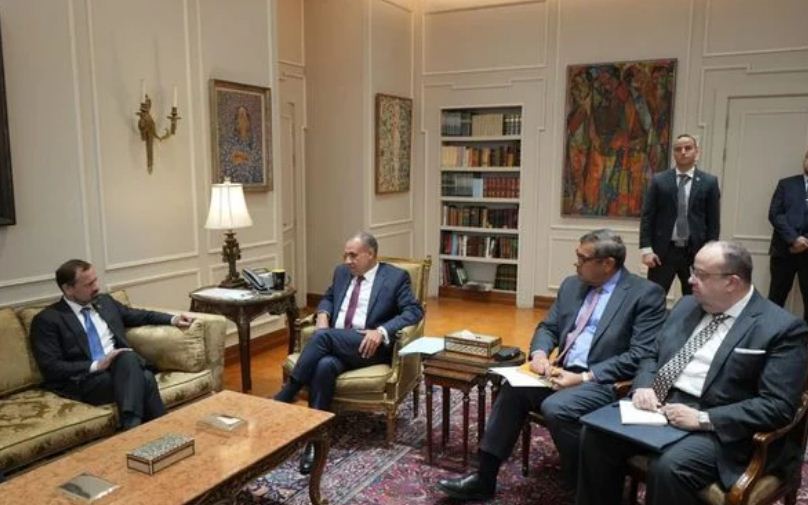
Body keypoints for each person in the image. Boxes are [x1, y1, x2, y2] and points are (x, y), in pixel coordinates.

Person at [437, 229, 667, 501]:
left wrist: (583, 378)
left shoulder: (644, 294)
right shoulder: (572, 285)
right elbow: (548, 327)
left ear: (607, 264)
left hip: (602, 381)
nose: (576, 264)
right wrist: (540, 354)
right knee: (512, 388)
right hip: (560, 371)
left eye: (582, 258)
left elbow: (640, 354)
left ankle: (590, 489)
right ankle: (484, 478)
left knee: (557, 408)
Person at [577, 241, 808, 505]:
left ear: (732, 282)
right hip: (661, 407)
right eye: (692, 271)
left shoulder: (780, 328)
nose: (690, 280)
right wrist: (644, 386)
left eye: (701, 275)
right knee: (596, 436)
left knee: (669, 467)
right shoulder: (687, 305)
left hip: (720, 427)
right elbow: (652, 354)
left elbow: (777, 406)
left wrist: (703, 418)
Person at [274, 231, 423, 474]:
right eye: (345, 255)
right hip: (337, 343)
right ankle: (314, 441)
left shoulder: (395, 278)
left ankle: (287, 393)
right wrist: (323, 313)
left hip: (368, 346)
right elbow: (329, 297)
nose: (347, 261)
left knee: (322, 337)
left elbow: (414, 312)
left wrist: (382, 331)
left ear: (370, 254)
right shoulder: (342, 272)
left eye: (353, 255)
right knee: (324, 366)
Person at [31, 259, 194, 430]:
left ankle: (135, 428)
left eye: (95, 280)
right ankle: (161, 431)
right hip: (84, 380)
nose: (96, 287)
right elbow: (51, 367)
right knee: (144, 376)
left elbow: (139, 315)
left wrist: (173, 319)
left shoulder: (104, 302)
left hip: (121, 369)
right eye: (88, 284)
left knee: (128, 360)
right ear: (68, 289)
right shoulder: (48, 319)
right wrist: (96, 365)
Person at [640, 133, 721, 295]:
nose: (683, 152)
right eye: (678, 149)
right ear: (674, 153)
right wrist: (646, 250)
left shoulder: (709, 182)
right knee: (653, 296)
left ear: (696, 152)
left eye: (688, 148)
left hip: (695, 252)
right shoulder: (659, 180)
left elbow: (713, 221)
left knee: (695, 298)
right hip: (663, 252)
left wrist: (710, 252)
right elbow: (648, 216)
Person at [767, 149, 808, 322]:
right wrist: (794, 239)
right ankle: (770, 334)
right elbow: (775, 214)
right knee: (776, 298)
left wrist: (806, 241)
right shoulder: (786, 184)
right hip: (784, 251)